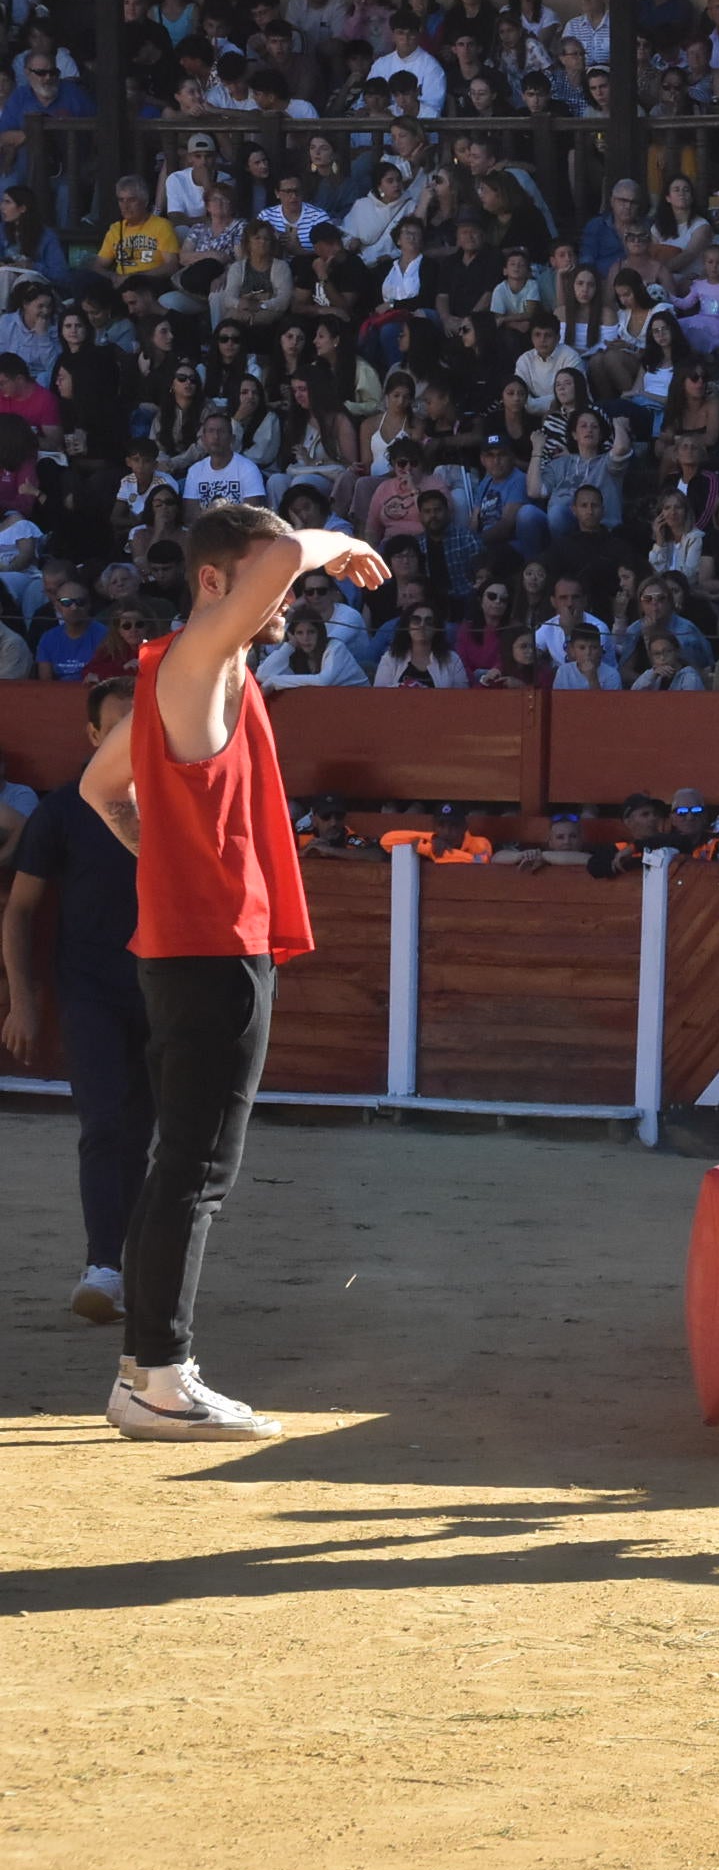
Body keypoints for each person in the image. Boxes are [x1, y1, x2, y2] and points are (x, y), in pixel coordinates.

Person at [78, 503, 385, 1440]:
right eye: (268, 585)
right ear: (215, 582)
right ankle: (161, 1377)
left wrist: (169, 862)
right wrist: (342, 544)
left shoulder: (186, 672)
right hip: (212, 950)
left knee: (183, 1164)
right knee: (195, 1170)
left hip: (193, 941)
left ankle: (146, 1368)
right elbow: (292, 551)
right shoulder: (199, 661)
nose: (285, 597)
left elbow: (100, 792)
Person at [3, 677, 149, 1325]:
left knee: (148, 1132)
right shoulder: (62, 811)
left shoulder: (175, 806)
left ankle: (136, 1264)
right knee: (106, 1123)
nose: (129, 738)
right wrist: (23, 1001)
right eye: (116, 727)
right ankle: (104, 1265)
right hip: (89, 991)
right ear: (94, 737)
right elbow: (19, 911)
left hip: (166, 991)